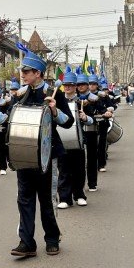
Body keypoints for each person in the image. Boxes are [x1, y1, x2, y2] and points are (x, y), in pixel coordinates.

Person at [0, 47, 74, 257]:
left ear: (38, 73)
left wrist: (54, 110)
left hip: (46, 154)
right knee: (24, 198)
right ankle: (27, 242)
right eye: (22, 70)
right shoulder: (20, 95)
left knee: (46, 199)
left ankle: (52, 238)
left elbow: (68, 122)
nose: (22, 74)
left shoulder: (53, 93)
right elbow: (10, 123)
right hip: (23, 153)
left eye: (27, 70)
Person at [57, 66, 91, 208]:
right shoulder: (58, 101)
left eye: (70, 85)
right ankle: (65, 198)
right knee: (64, 170)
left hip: (78, 140)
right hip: (62, 140)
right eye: (66, 85)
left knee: (78, 169)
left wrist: (85, 117)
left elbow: (92, 120)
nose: (68, 88)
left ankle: (79, 195)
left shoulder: (83, 101)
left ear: (75, 86)